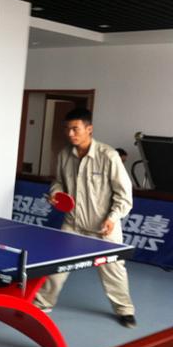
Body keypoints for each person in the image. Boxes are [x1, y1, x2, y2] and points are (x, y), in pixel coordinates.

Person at [34, 108, 136, 328]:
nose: (70, 133)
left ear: (89, 129)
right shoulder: (64, 155)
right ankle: (42, 303)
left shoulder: (108, 156)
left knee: (114, 270)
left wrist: (112, 218)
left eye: (75, 129)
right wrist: (56, 193)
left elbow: (124, 195)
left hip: (104, 226)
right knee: (57, 265)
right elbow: (58, 181)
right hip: (73, 223)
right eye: (67, 129)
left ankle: (125, 310)